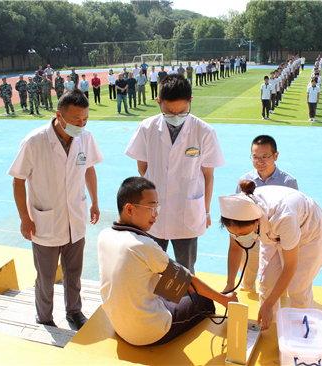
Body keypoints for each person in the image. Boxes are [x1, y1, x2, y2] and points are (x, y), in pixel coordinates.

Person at [98, 177, 238, 346]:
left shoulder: (104, 235)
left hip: (118, 325)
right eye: (151, 208)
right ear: (129, 209)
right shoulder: (144, 246)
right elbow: (188, 280)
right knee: (204, 299)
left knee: (169, 289)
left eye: (157, 207)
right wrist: (224, 299)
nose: (156, 214)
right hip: (147, 333)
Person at [8, 89, 103, 330]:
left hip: (76, 218)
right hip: (45, 221)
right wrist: (24, 218)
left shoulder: (85, 137)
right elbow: (18, 180)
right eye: (75, 120)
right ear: (58, 115)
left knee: (74, 273)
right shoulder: (35, 141)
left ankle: (74, 312)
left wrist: (94, 201)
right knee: (47, 277)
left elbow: (89, 169)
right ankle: (45, 317)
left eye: (85, 119)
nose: (80, 125)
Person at [125, 74, 225, 273]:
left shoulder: (204, 131)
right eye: (169, 112)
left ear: (191, 102)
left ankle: (184, 304)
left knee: (185, 271)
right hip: (153, 213)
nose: (176, 116)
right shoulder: (146, 128)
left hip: (187, 213)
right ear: (159, 102)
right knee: (150, 269)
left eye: (182, 111)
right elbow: (142, 168)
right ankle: (154, 305)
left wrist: (205, 210)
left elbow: (208, 175)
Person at [220, 180, 322, 330]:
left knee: (298, 286)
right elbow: (236, 249)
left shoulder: (284, 217)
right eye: (234, 233)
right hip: (271, 233)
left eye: (243, 233)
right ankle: (271, 329)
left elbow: (290, 267)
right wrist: (230, 284)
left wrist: (268, 304)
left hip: (307, 230)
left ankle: (299, 332)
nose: (238, 237)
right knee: (266, 282)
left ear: (257, 221)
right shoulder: (235, 218)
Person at [233, 135, 298, 292]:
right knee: (248, 268)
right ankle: (247, 287)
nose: (260, 162)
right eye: (255, 157)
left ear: (276, 156)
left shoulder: (288, 182)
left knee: (274, 277)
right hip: (252, 235)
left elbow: (293, 213)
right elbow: (238, 209)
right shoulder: (245, 180)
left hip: (276, 238)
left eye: (265, 157)